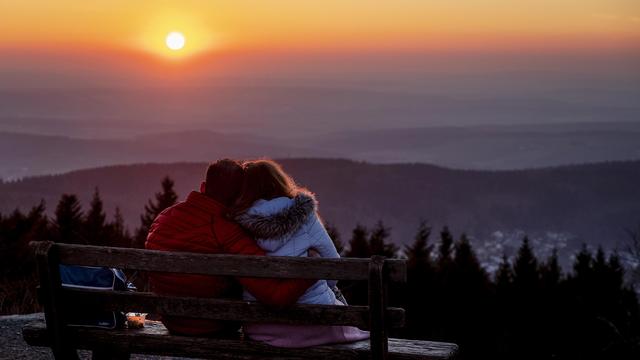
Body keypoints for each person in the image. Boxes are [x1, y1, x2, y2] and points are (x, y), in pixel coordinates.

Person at [145, 159, 314, 336]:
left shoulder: (163, 219)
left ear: (203, 187)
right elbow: (275, 296)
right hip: (214, 326)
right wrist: (311, 271)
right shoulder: (227, 232)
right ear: (239, 197)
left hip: (172, 322)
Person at [231, 159, 369, 347]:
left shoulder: (236, 223)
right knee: (336, 297)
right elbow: (333, 266)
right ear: (279, 181)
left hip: (260, 327)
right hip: (315, 322)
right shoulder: (304, 216)